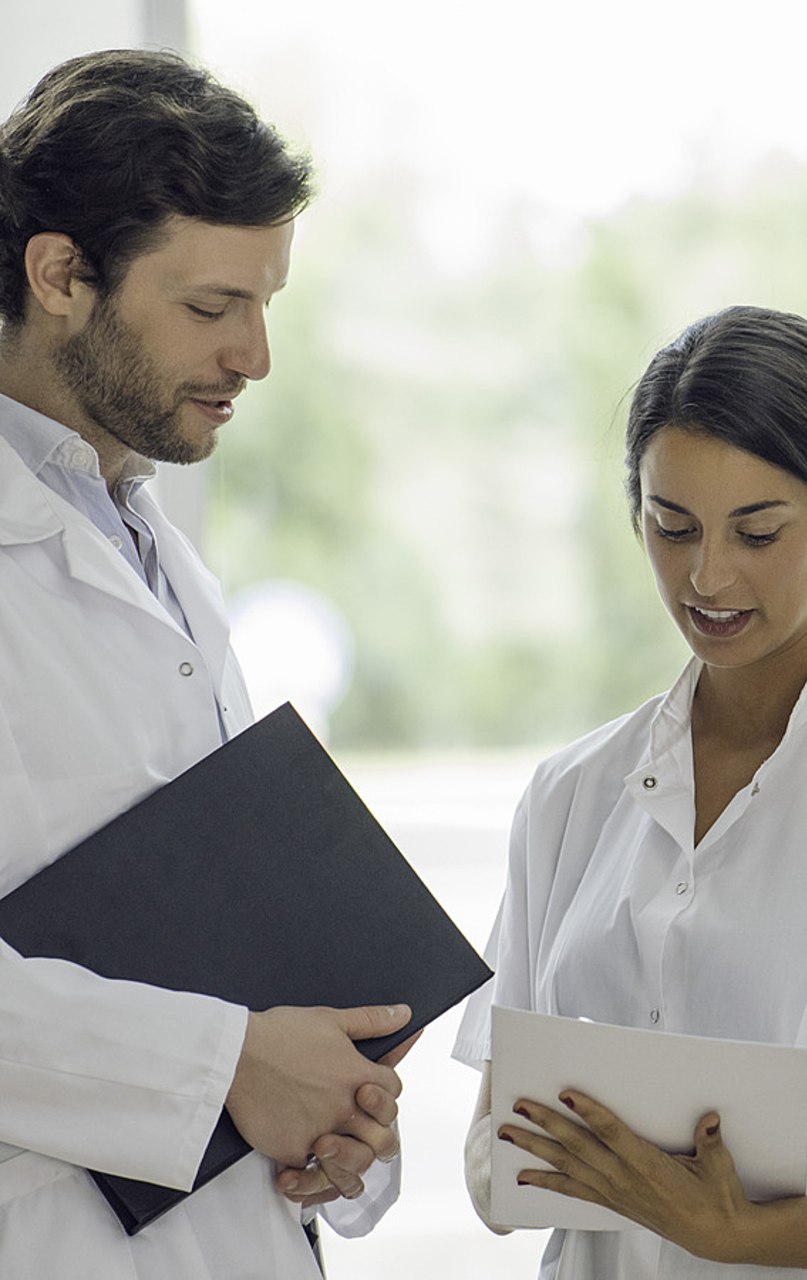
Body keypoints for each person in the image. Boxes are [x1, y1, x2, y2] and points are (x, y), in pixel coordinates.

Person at [452, 305, 807, 1278]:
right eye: (669, 525)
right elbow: (491, 1153)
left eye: (756, 531)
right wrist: (530, 1161)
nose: (706, 575)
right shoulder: (568, 798)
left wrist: (735, 1231)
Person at [0, 49, 413, 1279]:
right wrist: (223, 1063)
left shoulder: (161, 552)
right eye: (212, 305)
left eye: (265, 302)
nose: (256, 356)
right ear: (59, 273)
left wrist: (330, 1108)